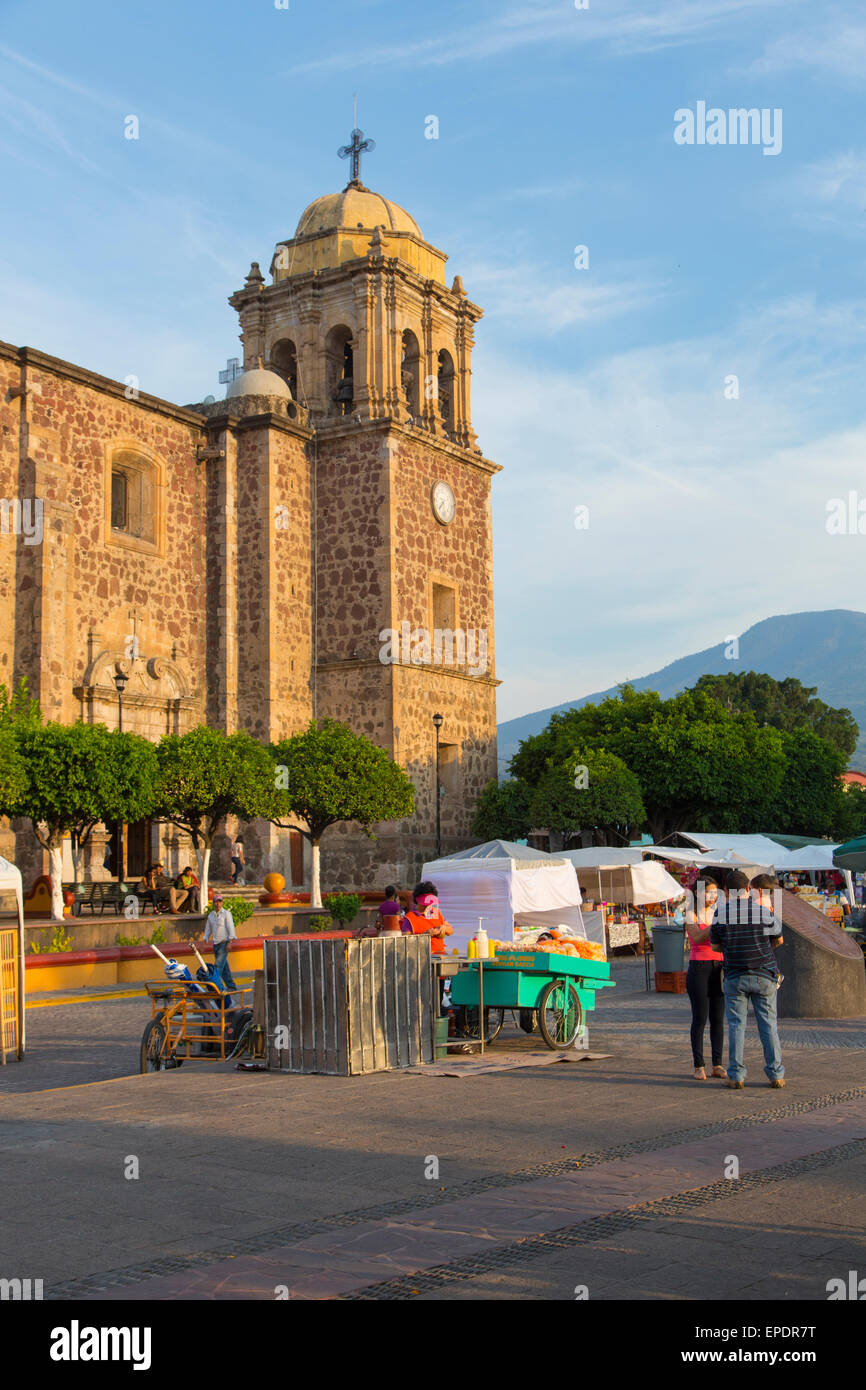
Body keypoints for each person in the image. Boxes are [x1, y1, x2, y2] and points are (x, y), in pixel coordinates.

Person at [710, 870, 785, 1090]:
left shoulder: (720, 913)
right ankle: (776, 1075)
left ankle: (736, 1075)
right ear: (747, 888)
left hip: (734, 976)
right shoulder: (763, 911)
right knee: (769, 1026)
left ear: (726, 891)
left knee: (736, 1026)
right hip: (764, 975)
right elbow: (778, 939)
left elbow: (715, 946)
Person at [684, 878, 726, 1081]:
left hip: (718, 967)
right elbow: (698, 937)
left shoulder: (717, 912)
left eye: (715, 892)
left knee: (718, 1019)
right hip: (699, 967)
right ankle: (698, 1065)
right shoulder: (690, 913)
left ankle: (717, 1064)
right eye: (709, 892)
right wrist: (716, 924)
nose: (712, 896)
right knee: (700, 1018)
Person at [401, 882, 453, 955]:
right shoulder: (410, 917)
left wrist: (444, 928)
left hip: (440, 955)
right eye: (425, 903)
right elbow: (405, 941)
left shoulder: (436, 912)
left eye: (430, 903)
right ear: (417, 900)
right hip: (421, 957)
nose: (428, 906)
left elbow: (450, 930)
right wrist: (425, 935)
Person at [203, 891, 237, 989]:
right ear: (213, 903)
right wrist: (204, 941)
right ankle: (231, 985)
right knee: (224, 967)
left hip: (224, 943)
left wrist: (230, 942)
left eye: (219, 901)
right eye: (216, 902)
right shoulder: (211, 916)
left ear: (222, 903)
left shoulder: (226, 914)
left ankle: (214, 987)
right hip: (216, 944)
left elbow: (231, 928)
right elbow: (208, 930)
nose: (218, 904)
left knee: (218, 966)